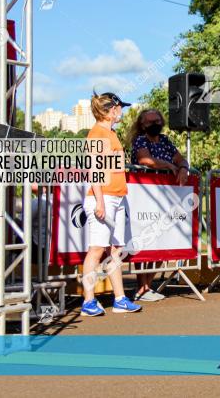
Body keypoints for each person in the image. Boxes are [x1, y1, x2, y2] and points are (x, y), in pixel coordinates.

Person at [80, 92, 142, 316]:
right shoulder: (97, 134)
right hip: (103, 197)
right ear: (111, 110)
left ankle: (120, 299)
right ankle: (88, 301)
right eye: (120, 108)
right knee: (97, 249)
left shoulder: (109, 133)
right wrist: (99, 201)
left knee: (115, 250)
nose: (122, 111)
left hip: (114, 196)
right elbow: (93, 170)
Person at [128, 108, 192, 302]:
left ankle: (148, 285)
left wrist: (182, 167)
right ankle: (141, 287)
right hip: (143, 195)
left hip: (165, 196)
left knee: (162, 237)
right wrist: (168, 165)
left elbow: (181, 159)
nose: (154, 124)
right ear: (142, 124)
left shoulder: (164, 140)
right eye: (150, 122)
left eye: (157, 120)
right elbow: (144, 160)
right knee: (144, 239)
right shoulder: (140, 140)